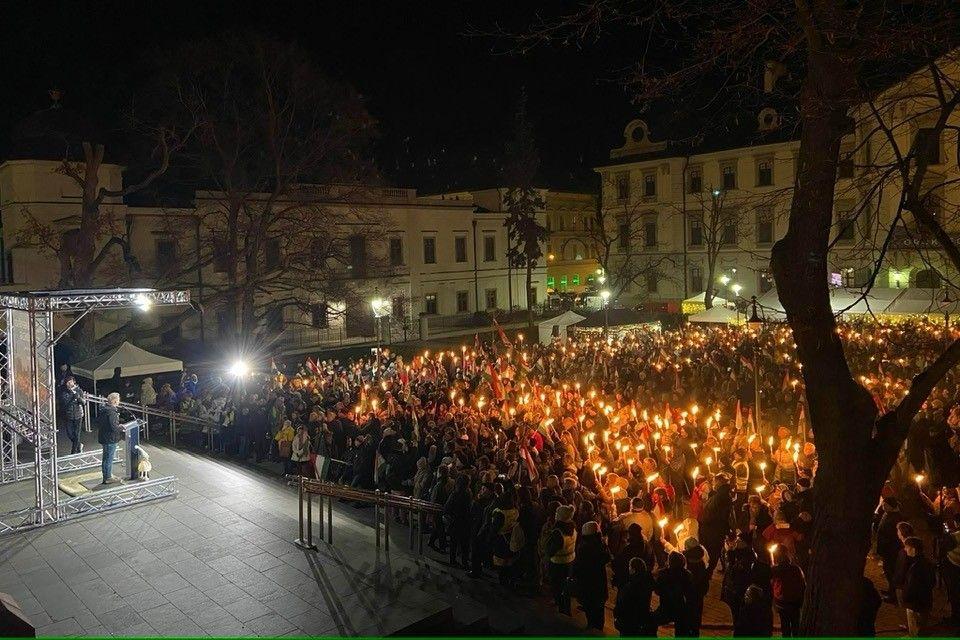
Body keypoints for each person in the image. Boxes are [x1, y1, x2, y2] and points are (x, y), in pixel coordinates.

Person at [571, 520, 610, 630]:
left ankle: (592, 628)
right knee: (599, 610)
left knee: (590, 610)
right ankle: (599, 630)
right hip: (599, 584)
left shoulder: (583, 548)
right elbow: (607, 558)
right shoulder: (601, 546)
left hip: (587, 584)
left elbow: (578, 567)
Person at [545, 504, 577, 615]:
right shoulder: (573, 527)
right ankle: (566, 607)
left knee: (557, 585)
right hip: (570, 560)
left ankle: (561, 609)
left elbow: (551, 550)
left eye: (557, 513)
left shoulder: (558, 532)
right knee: (566, 585)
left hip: (558, 563)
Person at [902, 536, 936, 637]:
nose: (905, 549)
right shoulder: (927, 563)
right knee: (923, 625)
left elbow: (911, 587)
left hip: (915, 603)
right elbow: (932, 581)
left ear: (913, 549)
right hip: (926, 600)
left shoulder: (915, 567)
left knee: (915, 627)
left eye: (907, 547)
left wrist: (906, 598)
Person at [614, 557, 656, 636]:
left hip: (629, 620)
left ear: (633, 569)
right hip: (641, 618)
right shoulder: (647, 582)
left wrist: (616, 615)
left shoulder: (630, 586)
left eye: (630, 567)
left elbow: (622, 604)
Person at [770, 545, 805, 636]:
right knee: (795, 626)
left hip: (782, 603)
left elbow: (771, 584)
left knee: (785, 628)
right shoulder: (796, 569)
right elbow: (802, 585)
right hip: (794, 603)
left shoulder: (775, 570)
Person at [654, 551, 692, 634]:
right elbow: (689, 591)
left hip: (665, 608)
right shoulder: (686, 574)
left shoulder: (663, 574)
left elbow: (657, 591)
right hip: (680, 607)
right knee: (682, 629)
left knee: (651, 622)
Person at [444, 474, 472, 569]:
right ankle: (464, 562)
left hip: (455, 522)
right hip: (464, 522)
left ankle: (453, 561)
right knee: (464, 544)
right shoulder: (468, 494)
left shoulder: (455, 494)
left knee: (454, 543)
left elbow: (447, 508)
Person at [98, 392, 123, 484]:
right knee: (108, 458)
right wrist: (120, 428)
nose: (119, 401)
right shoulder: (111, 412)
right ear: (114, 401)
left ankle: (107, 475)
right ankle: (107, 477)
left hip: (105, 436)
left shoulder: (104, 409)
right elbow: (113, 426)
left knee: (106, 458)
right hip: (110, 438)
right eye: (118, 399)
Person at [60, 376, 85, 455]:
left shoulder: (79, 390)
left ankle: (73, 452)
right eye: (68, 382)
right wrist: (72, 397)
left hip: (78, 415)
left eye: (71, 381)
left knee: (77, 433)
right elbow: (65, 403)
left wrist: (78, 398)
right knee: (70, 433)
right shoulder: (64, 392)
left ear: (74, 382)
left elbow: (83, 402)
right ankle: (78, 444)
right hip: (68, 415)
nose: (69, 383)